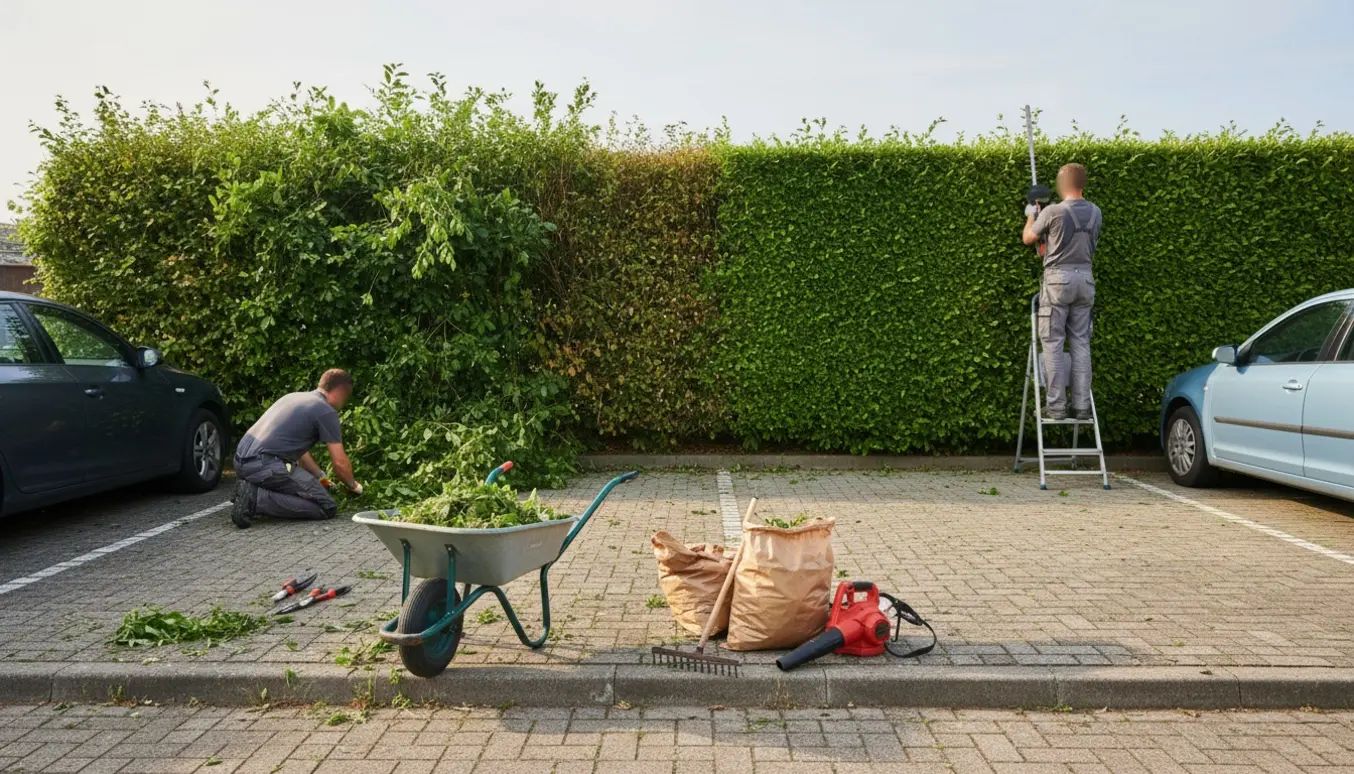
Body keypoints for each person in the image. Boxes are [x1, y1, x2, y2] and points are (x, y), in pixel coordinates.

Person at [230, 369, 363, 529]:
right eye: (346, 397)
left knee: (302, 487)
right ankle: (256, 498)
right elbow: (340, 464)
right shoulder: (326, 411)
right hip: (265, 466)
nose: (345, 403)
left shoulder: (293, 397)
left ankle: (248, 490)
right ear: (340, 391)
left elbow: (300, 451)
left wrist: (320, 477)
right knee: (327, 507)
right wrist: (354, 486)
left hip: (240, 463)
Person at [1022, 163, 1102, 421]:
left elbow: (1028, 238)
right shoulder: (1095, 212)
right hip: (1085, 280)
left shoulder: (1053, 211)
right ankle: (1081, 407)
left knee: (1053, 342)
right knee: (1081, 343)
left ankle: (1056, 407)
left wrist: (1031, 215)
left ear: (1063, 184)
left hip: (1058, 280)